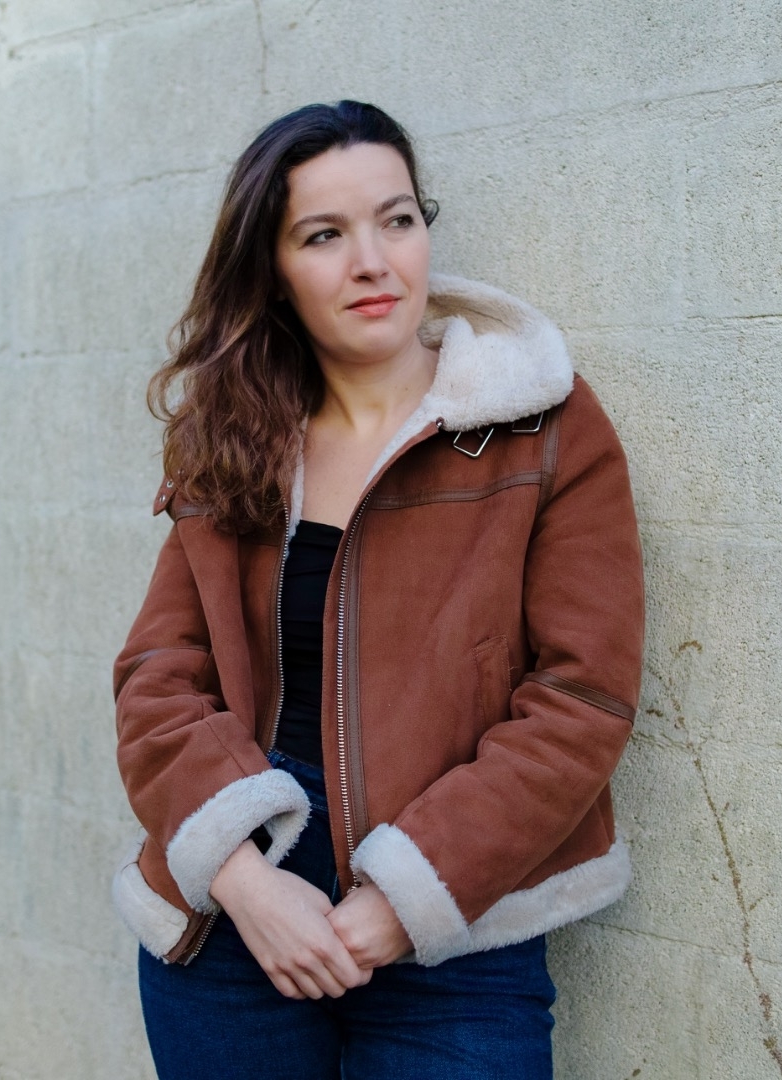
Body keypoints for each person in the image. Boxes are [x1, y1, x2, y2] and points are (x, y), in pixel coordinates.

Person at [112, 100, 644, 1080]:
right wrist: (243, 881)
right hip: (236, 918)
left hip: (460, 926)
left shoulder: (540, 425)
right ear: (273, 269)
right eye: (324, 235)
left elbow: (582, 696)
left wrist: (404, 899)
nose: (372, 260)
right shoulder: (235, 438)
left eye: (396, 220)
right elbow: (158, 679)